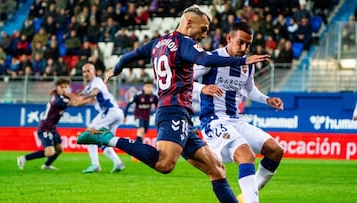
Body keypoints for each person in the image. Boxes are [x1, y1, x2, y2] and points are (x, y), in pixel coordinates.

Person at [77, 5, 269, 202]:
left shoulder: (158, 43)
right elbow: (204, 59)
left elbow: (129, 56)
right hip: (174, 110)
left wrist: (115, 69)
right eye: (203, 29)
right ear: (188, 23)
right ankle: (108, 138)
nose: (204, 35)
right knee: (164, 163)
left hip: (181, 114)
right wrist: (240, 61)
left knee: (217, 170)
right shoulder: (185, 43)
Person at [193, 22, 284, 202]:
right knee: (246, 155)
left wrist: (267, 99)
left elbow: (249, 90)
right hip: (213, 121)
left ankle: (247, 195)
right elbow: (181, 81)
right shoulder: (211, 58)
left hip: (236, 120)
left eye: (248, 44)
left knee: (275, 150)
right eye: (240, 42)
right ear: (228, 39)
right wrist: (202, 88)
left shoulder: (247, 64)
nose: (244, 48)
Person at [17, 78, 92, 170]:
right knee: (50, 152)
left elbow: (75, 98)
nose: (64, 89)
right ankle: (23, 158)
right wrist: (89, 100)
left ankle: (46, 165)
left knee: (59, 149)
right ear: (57, 88)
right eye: (61, 87)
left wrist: (84, 95)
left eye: (66, 87)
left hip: (52, 128)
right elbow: (75, 103)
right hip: (45, 128)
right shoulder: (59, 100)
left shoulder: (62, 97)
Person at [80, 63, 125, 173]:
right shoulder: (89, 86)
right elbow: (81, 96)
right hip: (116, 113)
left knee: (89, 133)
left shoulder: (97, 81)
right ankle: (118, 163)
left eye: (88, 71)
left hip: (110, 111)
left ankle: (95, 164)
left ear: (94, 72)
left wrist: (82, 97)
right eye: (84, 72)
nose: (85, 74)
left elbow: (94, 92)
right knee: (104, 140)